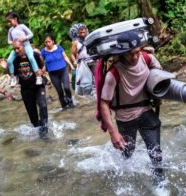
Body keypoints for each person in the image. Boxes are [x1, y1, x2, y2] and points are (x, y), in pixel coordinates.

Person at [98, 32, 165, 185]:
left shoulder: (147, 58)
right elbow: (104, 104)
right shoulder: (114, 73)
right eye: (130, 54)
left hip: (146, 112)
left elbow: (160, 77)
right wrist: (113, 133)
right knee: (127, 154)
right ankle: (125, 182)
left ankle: (159, 185)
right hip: (125, 119)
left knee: (156, 154)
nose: (135, 57)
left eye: (137, 52)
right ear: (122, 54)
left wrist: (158, 96)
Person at [0, 40, 49, 139]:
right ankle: (39, 131)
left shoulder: (34, 55)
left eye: (18, 48)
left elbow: (43, 67)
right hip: (25, 89)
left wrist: (41, 72)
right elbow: (13, 74)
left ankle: (45, 129)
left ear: (24, 46)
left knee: (43, 106)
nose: (16, 51)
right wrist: (6, 67)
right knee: (32, 115)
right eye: (14, 49)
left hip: (38, 86)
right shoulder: (15, 60)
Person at [6, 11, 43, 86]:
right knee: (9, 60)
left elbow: (31, 34)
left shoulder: (22, 26)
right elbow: (9, 41)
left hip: (26, 45)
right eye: (8, 22)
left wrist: (24, 38)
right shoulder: (10, 30)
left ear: (15, 19)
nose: (9, 23)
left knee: (31, 57)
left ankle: (38, 76)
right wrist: (13, 42)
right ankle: (13, 77)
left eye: (10, 21)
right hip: (16, 47)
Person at [40, 34, 75, 110]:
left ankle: (70, 102)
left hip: (63, 70)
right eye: (46, 42)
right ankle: (64, 106)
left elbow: (65, 57)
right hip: (53, 74)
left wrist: (71, 65)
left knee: (66, 87)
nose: (47, 44)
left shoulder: (59, 48)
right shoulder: (43, 51)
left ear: (53, 41)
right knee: (59, 91)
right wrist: (42, 69)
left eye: (49, 42)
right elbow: (41, 62)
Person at [69, 24, 95, 95]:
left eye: (83, 29)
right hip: (83, 64)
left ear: (86, 30)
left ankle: (95, 93)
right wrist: (75, 62)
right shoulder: (75, 42)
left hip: (92, 62)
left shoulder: (90, 39)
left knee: (96, 79)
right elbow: (72, 54)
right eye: (80, 30)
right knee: (85, 81)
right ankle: (88, 94)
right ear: (77, 32)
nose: (82, 30)